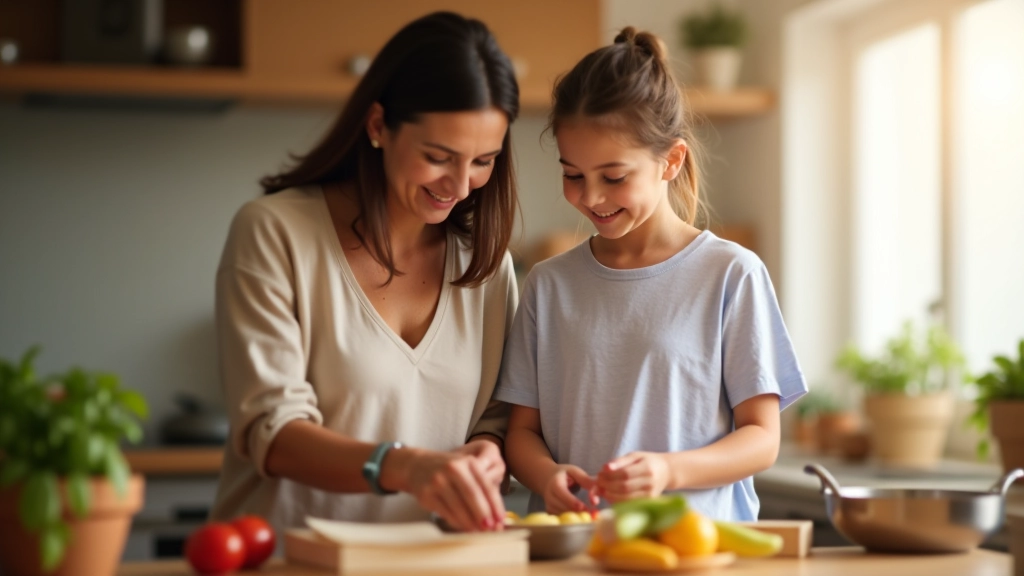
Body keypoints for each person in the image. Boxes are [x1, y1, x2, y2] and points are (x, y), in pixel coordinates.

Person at [209, 11, 521, 534]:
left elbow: (497, 421)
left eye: (483, 161)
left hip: (430, 564)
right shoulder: (274, 232)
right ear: (378, 125)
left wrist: (489, 452)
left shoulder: (486, 265)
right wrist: (404, 466)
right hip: (288, 561)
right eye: (439, 157)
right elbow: (274, 431)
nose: (461, 185)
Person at [495, 27, 808, 521]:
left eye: (614, 177)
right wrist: (546, 476)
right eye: (572, 174)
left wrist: (668, 471)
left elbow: (762, 439)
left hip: (696, 550)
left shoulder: (731, 274)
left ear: (671, 161)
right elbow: (521, 433)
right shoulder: (548, 285)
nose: (591, 197)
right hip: (578, 550)